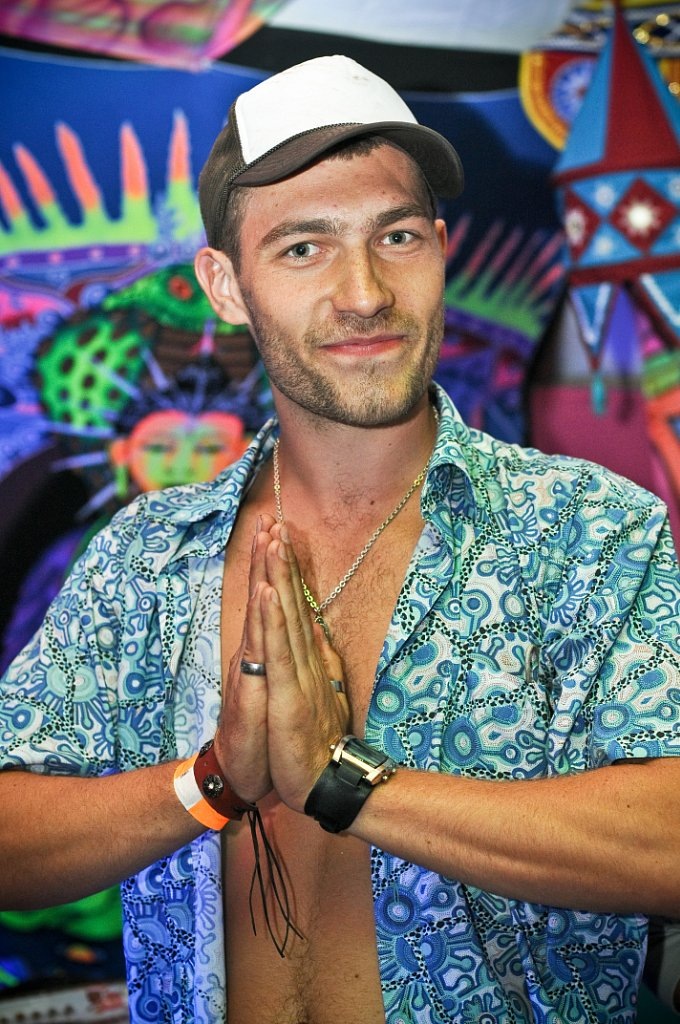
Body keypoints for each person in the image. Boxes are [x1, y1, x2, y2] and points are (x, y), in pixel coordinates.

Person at [0, 54, 679, 1024]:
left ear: (440, 249)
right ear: (226, 286)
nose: (363, 292)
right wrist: (212, 780)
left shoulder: (588, 530)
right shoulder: (146, 555)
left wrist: (346, 783)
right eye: (302, 248)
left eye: (394, 236)